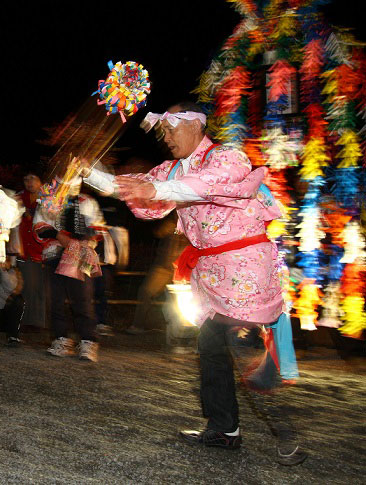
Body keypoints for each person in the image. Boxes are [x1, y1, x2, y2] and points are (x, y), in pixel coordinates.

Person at [115, 101, 306, 465]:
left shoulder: (226, 159)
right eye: (163, 132)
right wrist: (91, 175)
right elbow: (144, 196)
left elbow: (202, 186)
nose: (166, 138)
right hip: (210, 273)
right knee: (212, 348)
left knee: (244, 344)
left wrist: (156, 190)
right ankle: (224, 429)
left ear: (196, 125)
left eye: (171, 129)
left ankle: (286, 432)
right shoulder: (171, 169)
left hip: (244, 267)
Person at [35, 176, 106, 362]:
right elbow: (40, 228)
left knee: (82, 299)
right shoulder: (47, 201)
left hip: (80, 254)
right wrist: (60, 237)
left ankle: (88, 341)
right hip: (54, 254)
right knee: (56, 300)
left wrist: (87, 242)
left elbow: (97, 229)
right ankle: (61, 339)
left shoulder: (87, 202)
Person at [125, 211, 188, 335]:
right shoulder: (171, 218)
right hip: (163, 265)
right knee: (146, 292)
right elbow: (158, 232)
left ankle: (183, 331)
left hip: (183, 267)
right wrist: (171, 225)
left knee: (181, 299)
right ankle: (138, 325)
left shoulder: (194, 219)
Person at [15, 171, 48, 329]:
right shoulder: (19, 198)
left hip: (44, 248)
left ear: (41, 181)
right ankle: (27, 321)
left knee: (40, 287)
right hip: (24, 248)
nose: (29, 182)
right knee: (26, 286)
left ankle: (38, 322)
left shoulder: (50, 198)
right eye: (25, 179)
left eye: (32, 178)